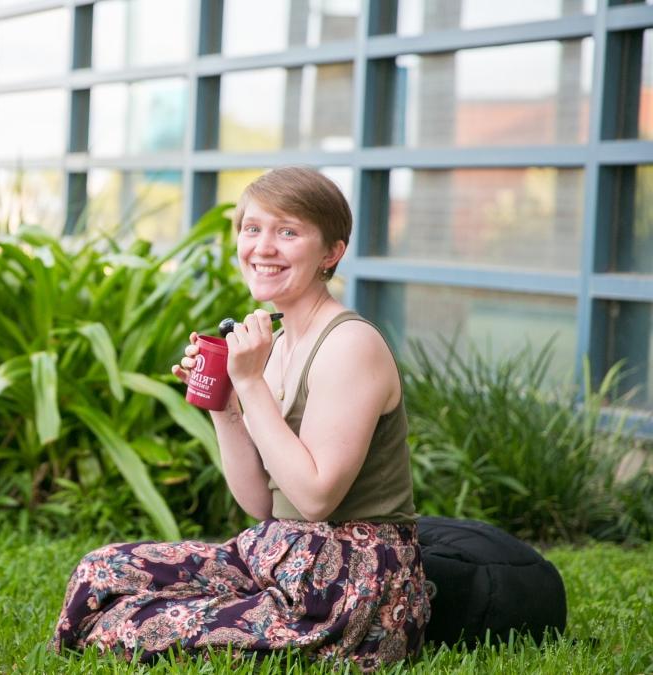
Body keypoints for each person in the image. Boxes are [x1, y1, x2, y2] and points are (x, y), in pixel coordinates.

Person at [52, 167, 428, 670]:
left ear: (331, 253)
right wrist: (226, 406)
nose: (263, 247)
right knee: (100, 572)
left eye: (287, 232)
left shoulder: (349, 345)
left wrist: (250, 384)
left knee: (129, 623)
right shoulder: (273, 344)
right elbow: (261, 503)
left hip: (343, 587)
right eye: (252, 229)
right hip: (274, 555)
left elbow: (316, 498)